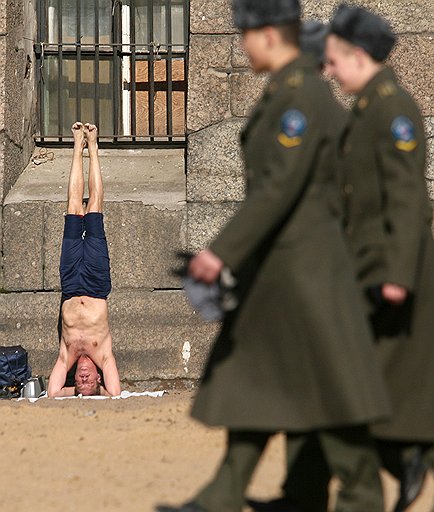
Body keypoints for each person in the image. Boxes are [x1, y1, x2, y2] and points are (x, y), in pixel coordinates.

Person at [156, 1, 391, 511]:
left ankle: (362, 497)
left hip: (307, 271)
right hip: (283, 271)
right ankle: (227, 495)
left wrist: (219, 253)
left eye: (245, 35)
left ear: (266, 35)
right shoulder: (291, 93)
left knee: (332, 392)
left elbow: (278, 188)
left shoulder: (301, 97)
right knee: (255, 378)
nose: (242, 46)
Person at [255, 4, 434, 512]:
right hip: (364, 272)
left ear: (358, 55)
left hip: (389, 275)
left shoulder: (394, 109)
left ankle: (404, 460)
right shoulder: (368, 109)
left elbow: (407, 198)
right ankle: (307, 493)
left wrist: (396, 276)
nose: (328, 71)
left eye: (334, 60)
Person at [47, 122, 121, 398]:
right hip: (96, 283)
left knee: (73, 208)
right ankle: (94, 147)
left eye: (80, 382)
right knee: (94, 208)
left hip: (70, 283)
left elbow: (53, 394)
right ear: (98, 378)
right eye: (89, 382)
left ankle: (78, 145)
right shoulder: (103, 354)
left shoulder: (67, 356)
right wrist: (97, 391)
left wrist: (74, 393)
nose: (85, 378)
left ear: (74, 379)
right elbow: (115, 393)